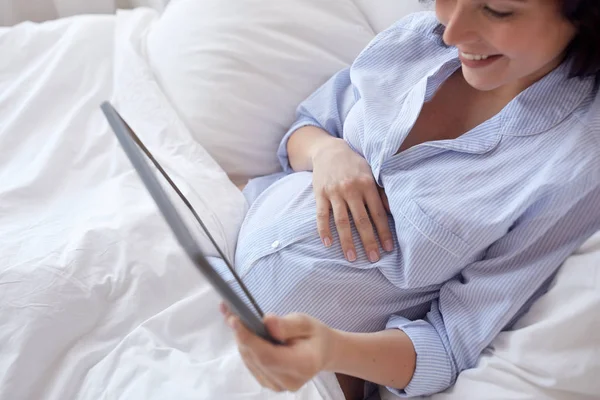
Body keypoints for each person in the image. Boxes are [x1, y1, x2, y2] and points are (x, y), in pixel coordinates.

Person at [216, 0, 600, 398]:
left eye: (497, 10)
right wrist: (328, 153)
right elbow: (307, 126)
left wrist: (330, 350)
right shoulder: (416, 40)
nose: (451, 33)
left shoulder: (574, 167)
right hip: (214, 265)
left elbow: (449, 343)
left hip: (298, 375)